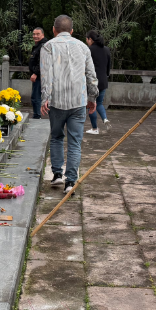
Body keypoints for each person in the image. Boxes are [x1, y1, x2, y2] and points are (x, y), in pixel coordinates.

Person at [40, 15, 98, 194]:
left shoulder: (48, 46)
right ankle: (71, 181)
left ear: (54, 30)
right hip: (78, 101)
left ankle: (57, 173)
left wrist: (45, 98)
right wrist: (92, 98)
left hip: (56, 101)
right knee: (74, 142)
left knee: (57, 137)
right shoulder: (83, 47)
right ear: (72, 31)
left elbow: (46, 75)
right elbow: (91, 75)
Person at [85, 30, 112, 135]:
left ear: (90, 39)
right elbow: (108, 66)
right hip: (103, 81)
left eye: (87, 39)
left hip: (92, 82)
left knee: (91, 104)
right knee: (99, 103)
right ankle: (105, 119)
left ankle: (95, 128)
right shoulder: (106, 49)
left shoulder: (89, 50)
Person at [28, 27, 46, 119]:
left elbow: (42, 62)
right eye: (34, 34)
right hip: (37, 75)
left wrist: (35, 73)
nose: (35, 36)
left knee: (36, 97)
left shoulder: (43, 46)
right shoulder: (37, 46)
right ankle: (36, 114)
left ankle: (37, 116)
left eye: (38, 34)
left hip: (40, 76)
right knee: (35, 97)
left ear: (43, 35)